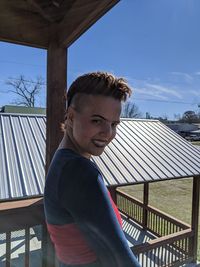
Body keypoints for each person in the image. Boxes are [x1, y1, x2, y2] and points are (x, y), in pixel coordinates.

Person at [44, 71, 141, 267]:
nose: (108, 133)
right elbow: (120, 259)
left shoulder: (62, 160)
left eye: (114, 124)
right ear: (70, 117)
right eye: (97, 120)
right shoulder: (79, 171)